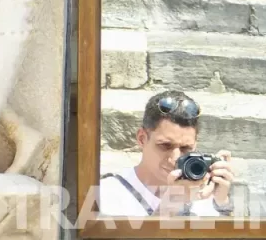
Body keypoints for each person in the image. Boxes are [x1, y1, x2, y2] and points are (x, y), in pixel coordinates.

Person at [99, 90, 235, 217]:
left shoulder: (205, 193)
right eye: (165, 145)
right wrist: (170, 205)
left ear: (195, 144)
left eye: (185, 148)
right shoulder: (107, 193)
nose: (175, 158)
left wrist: (223, 204)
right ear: (142, 138)